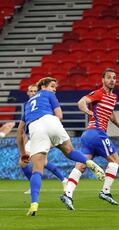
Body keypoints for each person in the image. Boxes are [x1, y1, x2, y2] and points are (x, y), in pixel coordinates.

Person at [17, 77, 105, 216]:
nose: (54, 89)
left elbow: (20, 132)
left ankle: (34, 204)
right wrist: (54, 135)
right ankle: (89, 163)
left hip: (35, 127)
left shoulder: (28, 104)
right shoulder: (48, 94)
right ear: (44, 86)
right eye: (53, 86)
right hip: (51, 121)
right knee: (70, 151)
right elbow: (59, 115)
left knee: (37, 170)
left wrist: (23, 152)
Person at [60, 68, 119, 211]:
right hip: (97, 133)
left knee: (81, 165)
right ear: (103, 80)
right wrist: (88, 111)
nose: (112, 80)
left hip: (88, 136)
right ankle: (105, 192)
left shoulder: (113, 97)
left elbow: (110, 113)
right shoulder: (98, 93)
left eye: (114, 77)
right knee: (115, 161)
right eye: (109, 77)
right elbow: (81, 102)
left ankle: (68, 193)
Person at [17, 84, 68, 194]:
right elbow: (22, 129)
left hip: (43, 135)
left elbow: (56, 115)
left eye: (35, 91)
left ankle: (64, 179)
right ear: (27, 93)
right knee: (23, 163)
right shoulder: (28, 105)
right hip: (33, 138)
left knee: (43, 162)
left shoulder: (43, 100)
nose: (33, 93)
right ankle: (35, 184)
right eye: (31, 91)